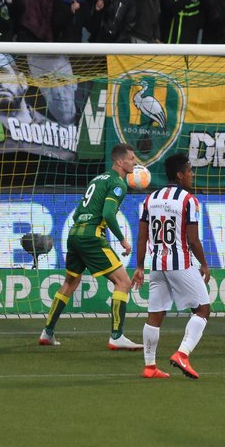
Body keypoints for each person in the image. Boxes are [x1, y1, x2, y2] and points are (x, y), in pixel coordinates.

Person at [39, 143, 143, 350]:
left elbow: (78, 213)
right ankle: (116, 336)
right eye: (132, 158)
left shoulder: (98, 179)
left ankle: (47, 332)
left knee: (70, 282)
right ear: (120, 162)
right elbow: (107, 214)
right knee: (123, 282)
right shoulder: (118, 183)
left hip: (75, 233)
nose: (135, 162)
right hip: (91, 237)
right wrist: (122, 239)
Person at [132, 153, 212, 379]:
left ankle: (149, 367)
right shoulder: (189, 200)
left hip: (157, 263)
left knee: (155, 315)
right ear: (179, 175)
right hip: (180, 263)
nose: (191, 175)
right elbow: (193, 239)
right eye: (189, 171)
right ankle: (183, 354)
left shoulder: (151, 199)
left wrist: (139, 266)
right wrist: (204, 264)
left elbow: (142, 237)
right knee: (203, 309)